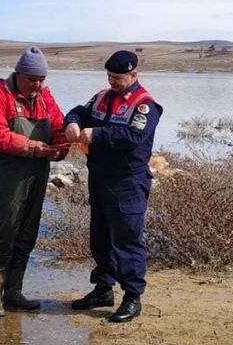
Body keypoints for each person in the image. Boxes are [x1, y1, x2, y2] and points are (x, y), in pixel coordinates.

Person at [64, 50, 163, 323]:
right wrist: (72, 123)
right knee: (101, 236)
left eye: (118, 78)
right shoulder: (101, 96)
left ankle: (132, 297)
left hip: (127, 182)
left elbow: (133, 135)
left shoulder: (145, 105)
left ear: (133, 75)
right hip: (99, 179)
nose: (113, 82)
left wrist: (97, 134)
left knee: (127, 240)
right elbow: (79, 112)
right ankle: (103, 289)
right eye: (110, 76)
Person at [0, 46, 68, 318]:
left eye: (41, 80)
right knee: (3, 231)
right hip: (5, 174)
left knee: (27, 232)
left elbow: (58, 125)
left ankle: (14, 292)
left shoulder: (44, 96)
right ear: (18, 74)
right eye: (32, 79)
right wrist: (32, 147)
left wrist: (62, 145)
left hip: (36, 173)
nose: (37, 85)